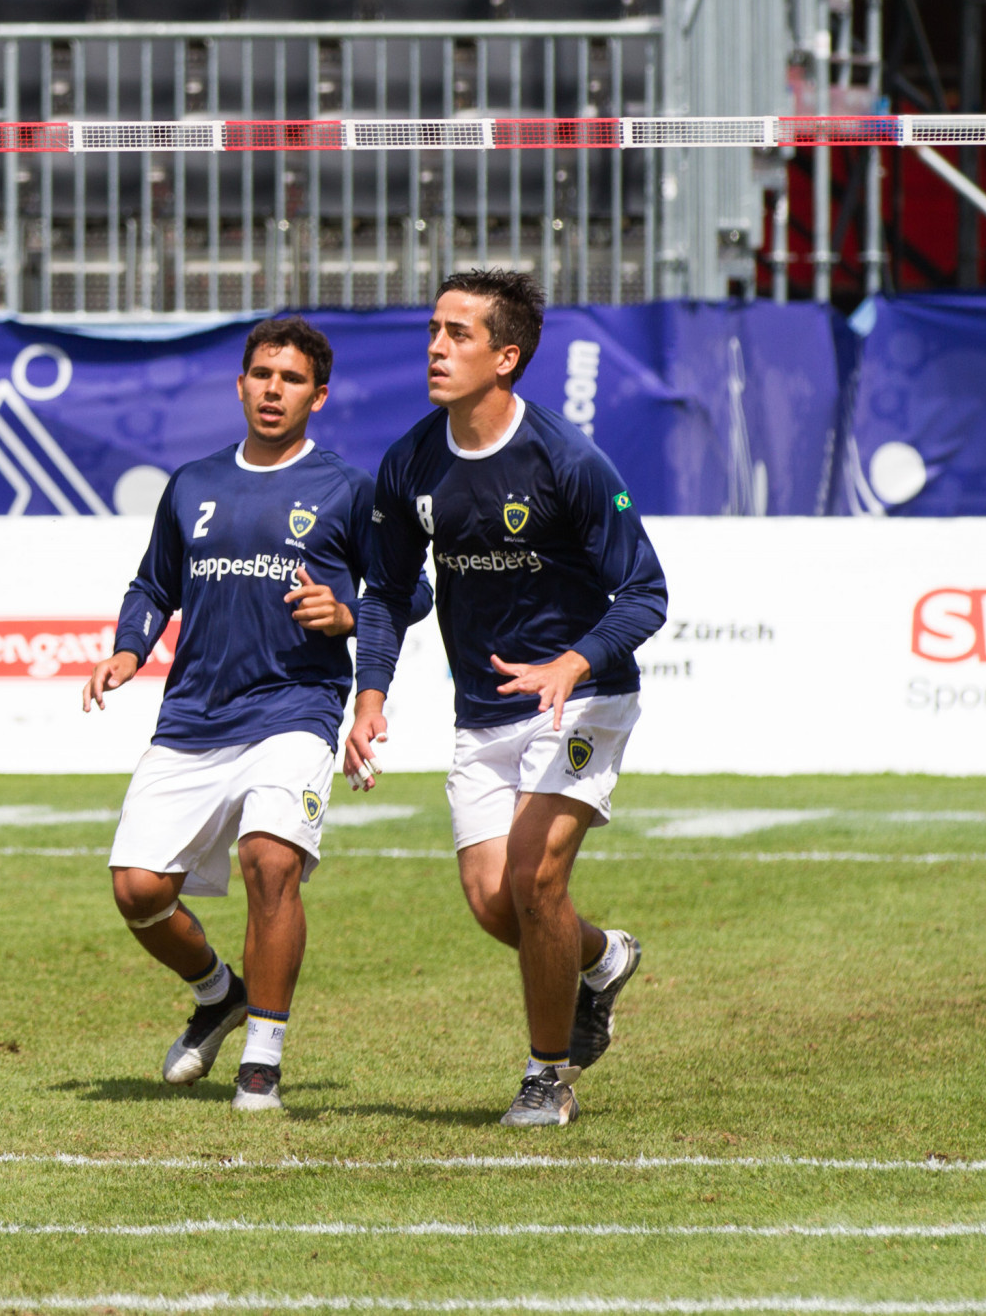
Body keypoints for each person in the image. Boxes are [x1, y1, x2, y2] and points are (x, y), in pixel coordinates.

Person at [83, 317, 431, 1113]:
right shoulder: (192, 484)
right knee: (138, 890)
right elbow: (152, 585)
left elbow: (409, 590)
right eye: (263, 375)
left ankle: (261, 1061)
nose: (275, 389)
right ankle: (218, 993)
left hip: (295, 707)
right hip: (193, 716)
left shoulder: (347, 488)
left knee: (270, 861)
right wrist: (129, 650)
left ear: (320, 395)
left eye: (293, 379)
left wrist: (345, 612)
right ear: (240, 385)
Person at [347, 269, 666, 1128]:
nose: (436, 347)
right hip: (483, 710)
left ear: (507, 356)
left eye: (458, 333)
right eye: (433, 330)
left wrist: (575, 659)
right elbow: (382, 591)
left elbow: (645, 594)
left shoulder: (569, 460)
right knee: (499, 905)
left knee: (535, 878)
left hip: (581, 701)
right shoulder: (410, 460)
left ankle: (545, 1075)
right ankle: (603, 958)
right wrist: (368, 693)